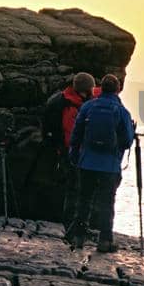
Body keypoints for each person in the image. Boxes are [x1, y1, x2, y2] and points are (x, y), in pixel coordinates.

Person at [67, 73, 136, 252]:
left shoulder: (88, 107)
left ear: (100, 88)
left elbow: (76, 134)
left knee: (84, 200)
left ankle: (78, 237)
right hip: (110, 166)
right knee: (107, 203)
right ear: (118, 90)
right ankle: (105, 241)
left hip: (87, 162)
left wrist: (74, 155)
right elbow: (128, 140)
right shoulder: (121, 111)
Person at [41, 72, 96, 233]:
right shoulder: (71, 105)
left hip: (64, 150)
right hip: (72, 153)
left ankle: (73, 224)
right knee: (76, 190)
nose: (93, 92)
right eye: (91, 89)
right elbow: (70, 132)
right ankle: (72, 226)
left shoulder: (64, 98)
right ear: (84, 90)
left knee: (73, 189)